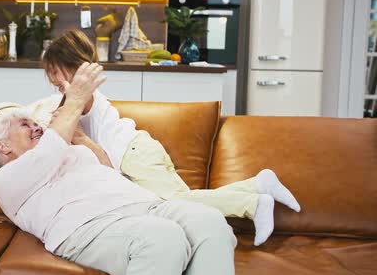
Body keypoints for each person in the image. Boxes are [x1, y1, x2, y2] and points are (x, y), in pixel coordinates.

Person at [0, 62, 237, 275]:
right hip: (87, 226)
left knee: (210, 222)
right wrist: (74, 100)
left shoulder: (68, 149)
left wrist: (81, 138)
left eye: (36, 122)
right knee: (162, 239)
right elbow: (48, 151)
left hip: (142, 205)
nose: (37, 127)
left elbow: (107, 168)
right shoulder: (7, 179)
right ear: (3, 146)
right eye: (25, 125)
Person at [41, 30, 301, 246]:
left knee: (175, 203)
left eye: (55, 71)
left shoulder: (82, 98)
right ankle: (257, 184)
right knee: (186, 203)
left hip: (134, 156)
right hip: (140, 152)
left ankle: (253, 204)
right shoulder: (77, 100)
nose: (52, 79)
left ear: (75, 67)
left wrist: (69, 124)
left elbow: (91, 150)